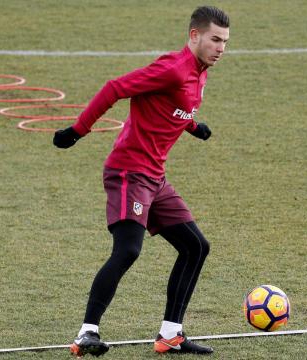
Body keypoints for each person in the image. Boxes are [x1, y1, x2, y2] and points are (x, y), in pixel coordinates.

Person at [53, 5, 230, 358]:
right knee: (128, 250)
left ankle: (171, 335)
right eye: (215, 39)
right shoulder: (173, 69)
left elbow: (173, 108)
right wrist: (77, 131)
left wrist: (194, 126)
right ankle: (87, 332)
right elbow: (116, 87)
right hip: (129, 172)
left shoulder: (201, 70)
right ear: (194, 36)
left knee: (196, 247)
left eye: (225, 41)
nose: (221, 48)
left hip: (154, 177)